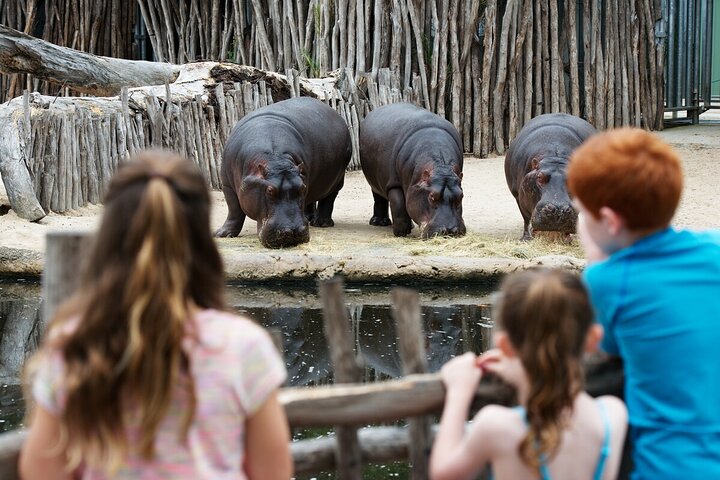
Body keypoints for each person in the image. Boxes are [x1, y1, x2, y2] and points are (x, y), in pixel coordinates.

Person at [19, 151, 293, 480]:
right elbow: (272, 473)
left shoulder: (75, 346)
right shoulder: (244, 348)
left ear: (110, 238)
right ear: (201, 241)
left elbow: (41, 471)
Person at [566, 127, 720, 479]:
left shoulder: (609, 281)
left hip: (667, 467)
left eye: (582, 212)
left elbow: (600, 349)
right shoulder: (715, 249)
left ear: (609, 221)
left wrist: (595, 258)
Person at [430, 268, 627, 480]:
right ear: (593, 339)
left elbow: (442, 474)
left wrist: (459, 391)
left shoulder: (496, 427)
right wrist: (517, 369)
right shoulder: (612, 417)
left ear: (504, 344)